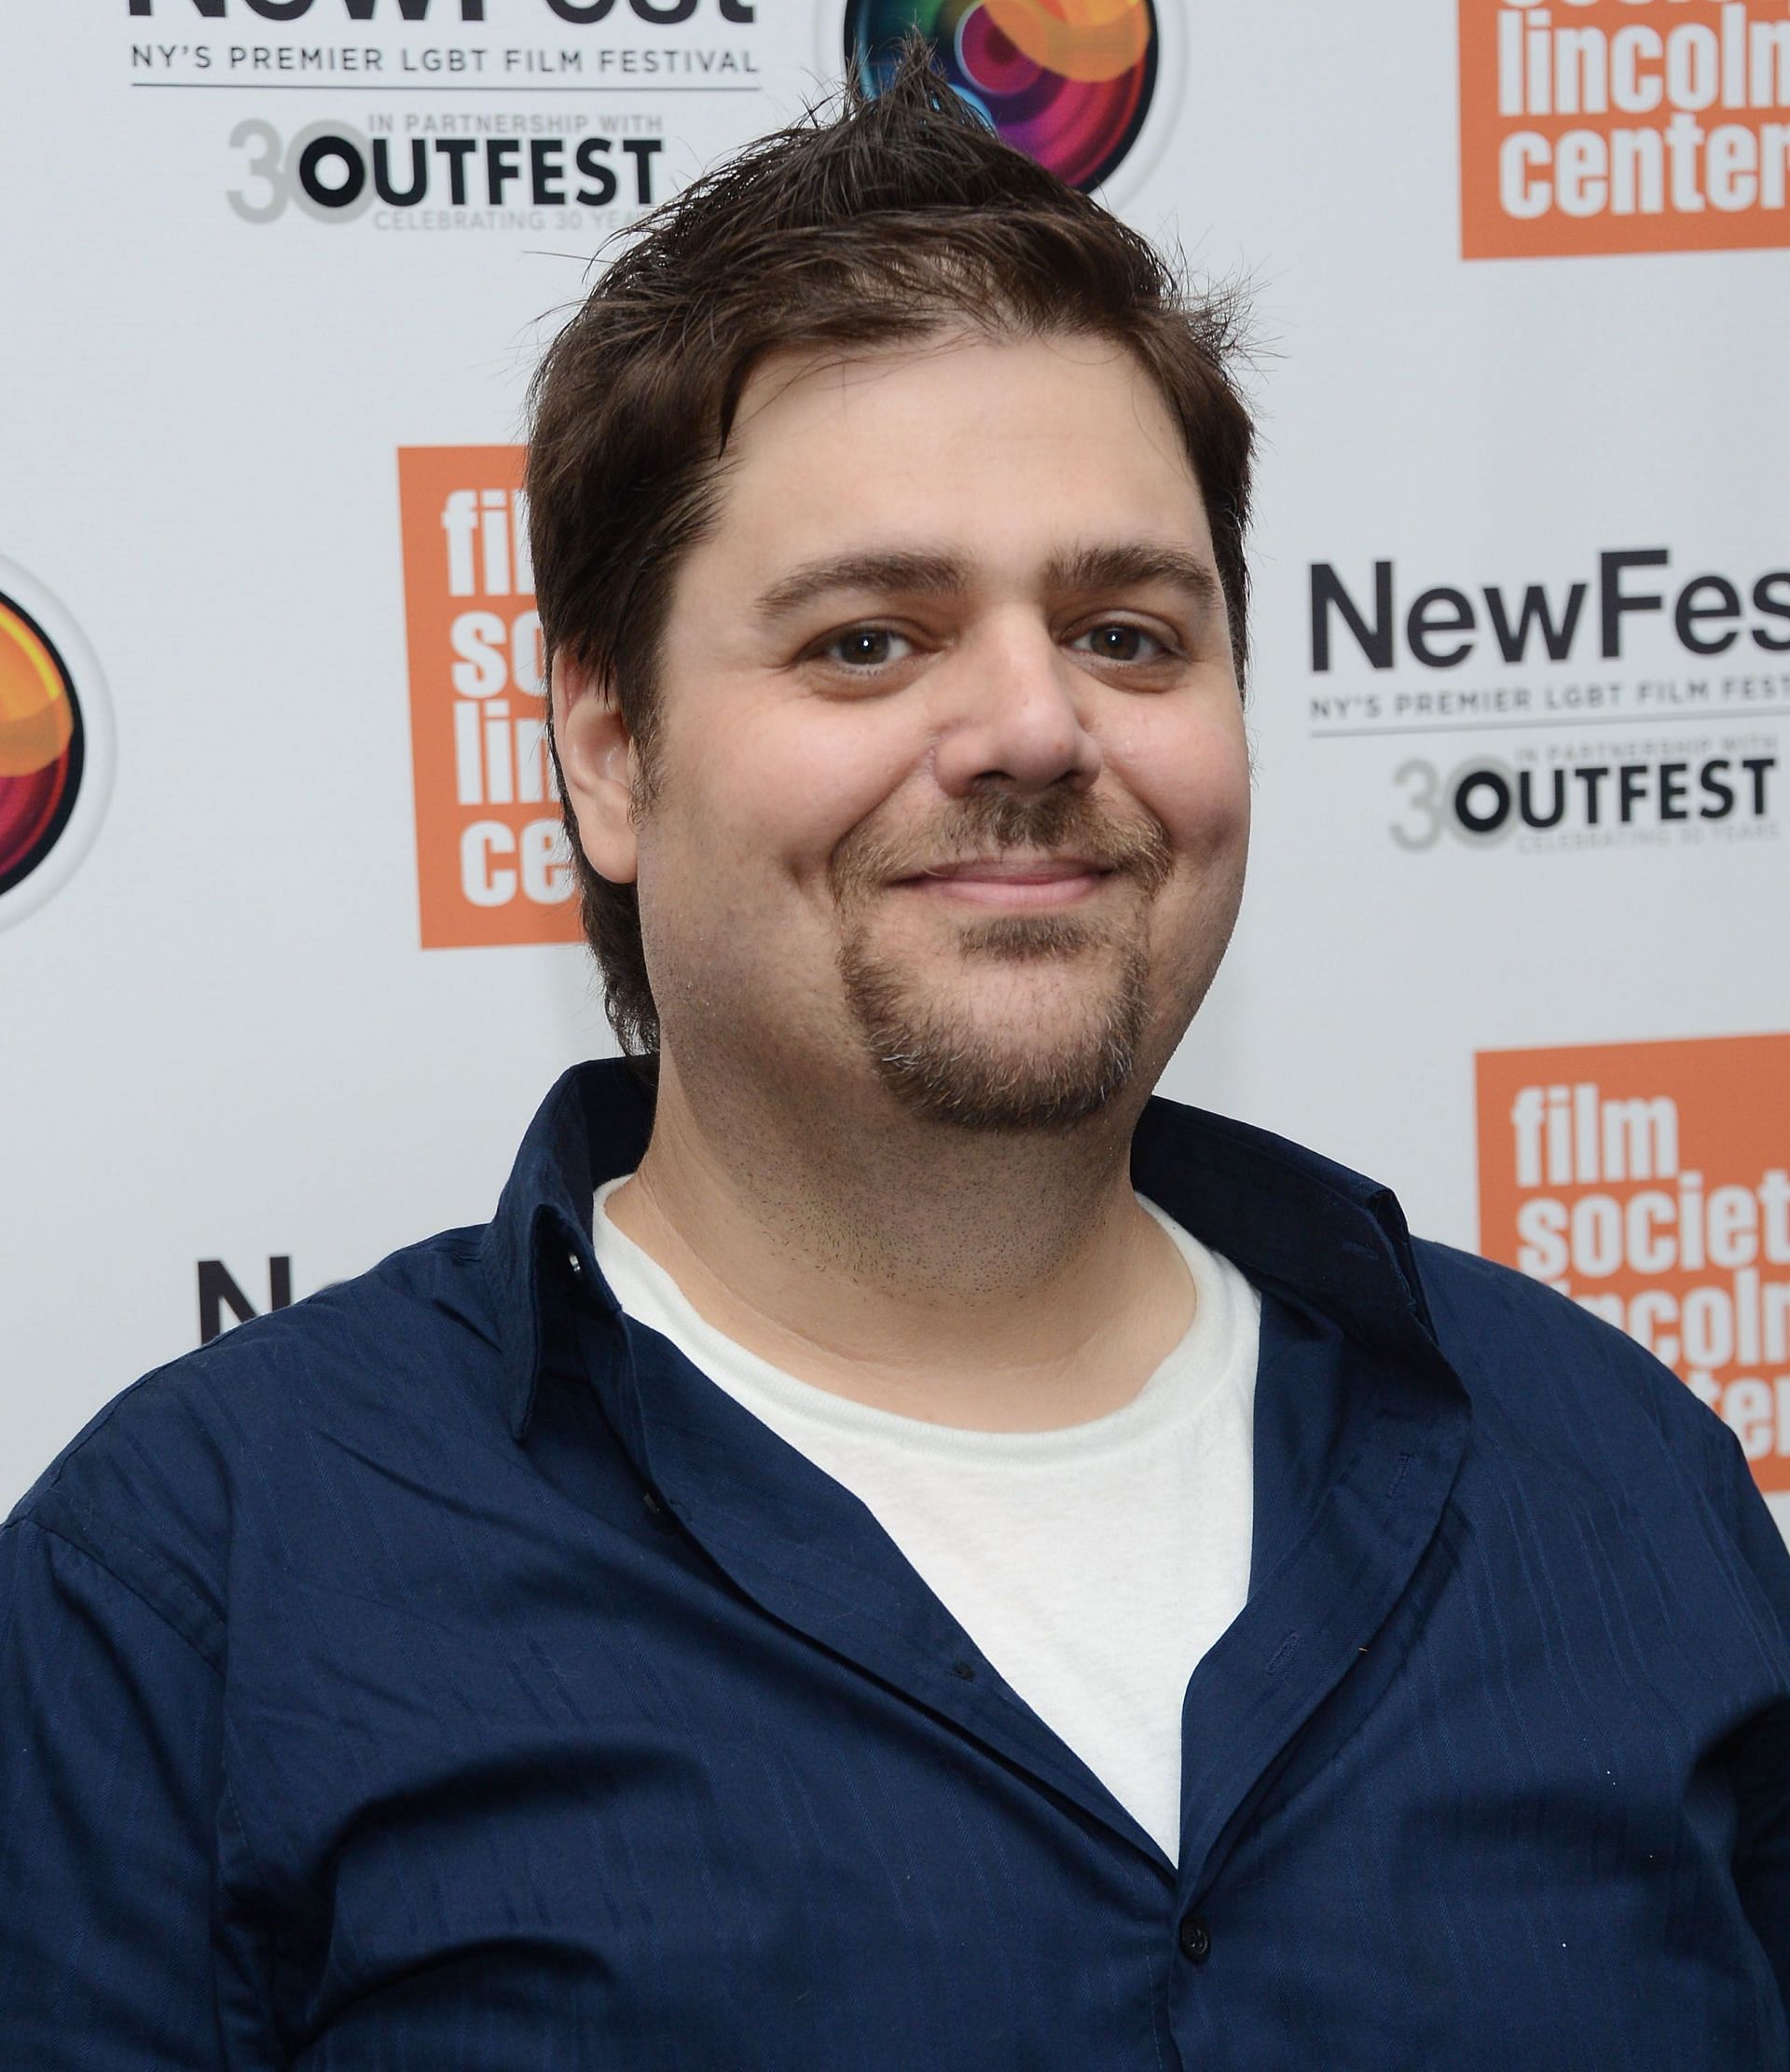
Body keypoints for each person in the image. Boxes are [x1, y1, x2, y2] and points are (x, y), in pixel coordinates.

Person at [4, 48, 1787, 2071]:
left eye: (1129, 630)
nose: (1034, 727)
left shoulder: (1616, 1476)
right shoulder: (195, 1580)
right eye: (870, 636)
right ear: (604, 749)